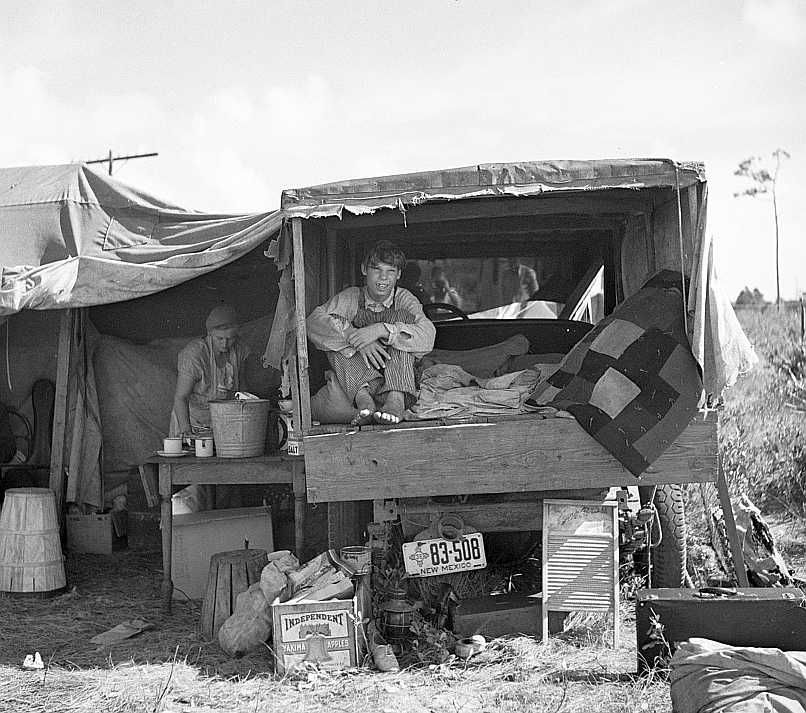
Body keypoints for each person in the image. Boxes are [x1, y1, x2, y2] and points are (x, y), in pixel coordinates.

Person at [307, 241, 435, 425]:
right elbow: (312, 323)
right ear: (364, 269)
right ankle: (363, 399)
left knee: (405, 321)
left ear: (398, 274)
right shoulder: (352, 296)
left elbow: (428, 336)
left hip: (398, 377)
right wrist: (356, 337)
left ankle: (396, 399)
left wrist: (380, 330)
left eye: (390, 271)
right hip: (360, 375)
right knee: (334, 326)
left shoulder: (404, 298)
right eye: (376, 269)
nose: (383, 278)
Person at [170, 304, 250, 438]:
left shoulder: (239, 350)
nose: (225, 344)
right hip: (191, 423)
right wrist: (186, 431)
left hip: (223, 423)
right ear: (210, 334)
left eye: (230, 339)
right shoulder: (194, 355)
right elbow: (180, 397)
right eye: (219, 338)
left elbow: (242, 390)